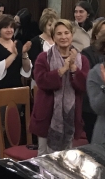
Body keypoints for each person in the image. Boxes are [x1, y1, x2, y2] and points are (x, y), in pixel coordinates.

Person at [31, 19, 89, 156]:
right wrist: (62, 70)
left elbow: (84, 86)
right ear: (53, 37)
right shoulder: (43, 57)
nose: (63, 37)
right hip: (46, 115)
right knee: (43, 157)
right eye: (59, 34)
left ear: (72, 35)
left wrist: (73, 67)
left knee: (66, 158)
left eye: (66, 33)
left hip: (71, 115)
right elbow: (41, 81)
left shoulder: (82, 59)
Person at [0, 15, 32, 160]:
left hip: (16, 90)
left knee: (13, 126)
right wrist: (13, 54)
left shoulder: (18, 43)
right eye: (5, 27)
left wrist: (24, 54)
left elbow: (26, 70)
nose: (9, 30)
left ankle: (11, 160)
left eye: (12, 27)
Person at [80, 18, 105, 142]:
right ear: (96, 35)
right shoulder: (87, 53)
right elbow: (91, 78)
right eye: (103, 33)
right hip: (92, 105)